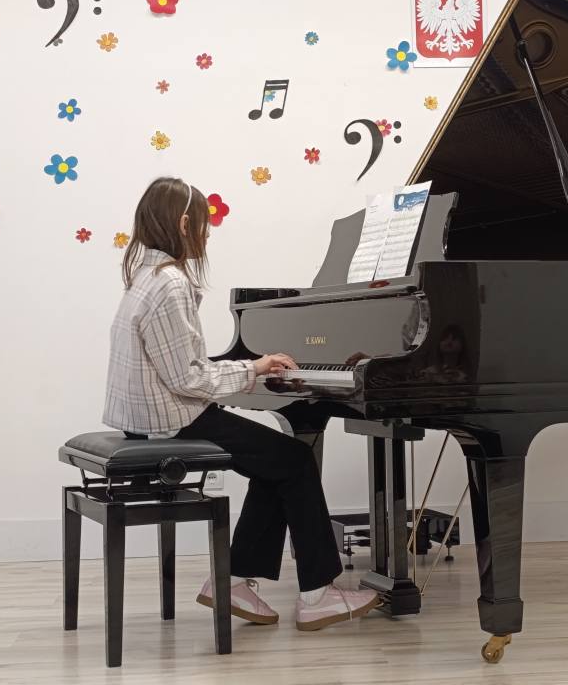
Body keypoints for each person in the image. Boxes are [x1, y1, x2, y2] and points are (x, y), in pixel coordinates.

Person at [102, 176, 379, 631]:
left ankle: (231, 582)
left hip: (148, 417)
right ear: (184, 223)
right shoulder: (170, 283)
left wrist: (250, 368)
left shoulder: (144, 277)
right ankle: (318, 594)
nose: (208, 235)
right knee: (294, 460)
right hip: (172, 420)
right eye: (204, 225)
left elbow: (179, 367)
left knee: (276, 461)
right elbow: (188, 378)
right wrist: (254, 368)